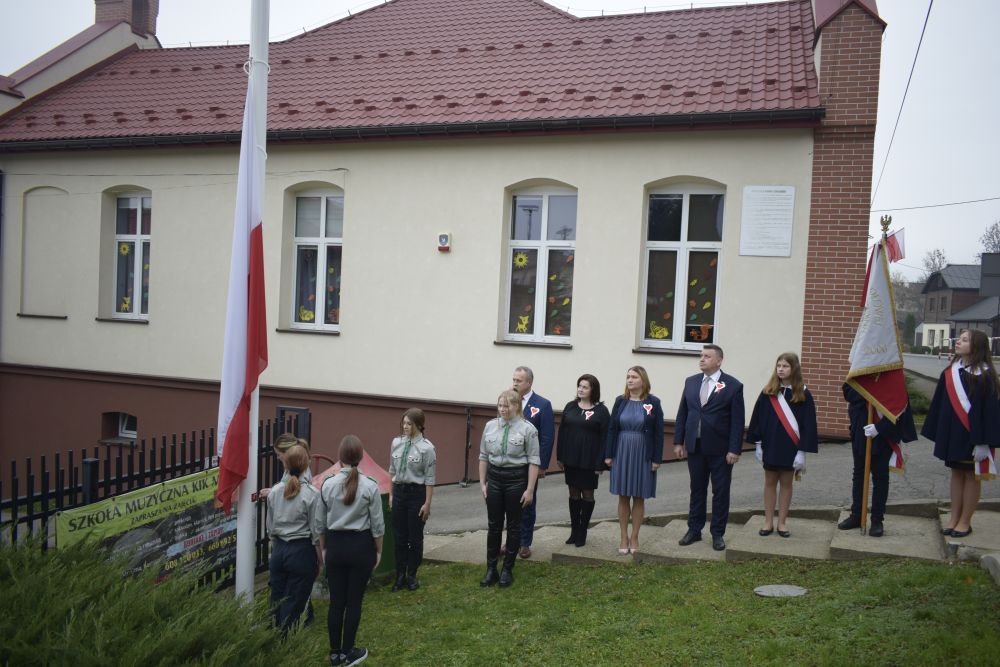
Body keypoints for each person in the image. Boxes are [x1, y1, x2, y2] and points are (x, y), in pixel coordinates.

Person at [921, 329, 1000, 538]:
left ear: (977, 347)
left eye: (965, 340)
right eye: (960, 339)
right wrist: (940, 432)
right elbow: (940, 405)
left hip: (974, 438)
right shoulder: (951, 372)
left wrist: (984, 442)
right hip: (953, 434)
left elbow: (991, 413)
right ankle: (954, 518)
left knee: (972, 476)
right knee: (956, 473)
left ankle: (965, 522)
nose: (958, 342)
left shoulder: (986, 376)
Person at [320, 435, 384, 667]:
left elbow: (320, 523)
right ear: (360, 457)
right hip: (360, 547)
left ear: (340, 457)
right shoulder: (370, 485)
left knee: (336, 602)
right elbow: (377, 525)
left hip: (335, 547)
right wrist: (378, 552)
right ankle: (348, 652)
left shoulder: (327, 484)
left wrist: (324, 549)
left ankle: (335, 653)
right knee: (354, 602)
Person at [674, 344, 745, 551]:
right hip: (695, 446)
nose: (702, 359)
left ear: (719, 361)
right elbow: (683, 413)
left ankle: (717, 533)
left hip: (721, 450)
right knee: (697, 489)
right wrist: (678, 441)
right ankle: (694, 530)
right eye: (701, 355)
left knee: (720, 492)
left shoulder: (733, 385)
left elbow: (737, 421)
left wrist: (734, 449)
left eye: (707, 356)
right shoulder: (691, 382)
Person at [746, 353, 818, 538]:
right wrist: (758, 444)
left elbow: (808, 424)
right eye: (778, 365)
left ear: (794, 369)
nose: (781, 369)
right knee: (769, 483)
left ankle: (782, 523)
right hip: (770, 445)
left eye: (785, 366)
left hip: (790, 447)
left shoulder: (803, 393)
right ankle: (768, 522)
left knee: (786, 484)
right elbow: (758, 418)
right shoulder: (768, 391)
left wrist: (802, 452)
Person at [479, 389, 540, 588]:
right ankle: (491, 569)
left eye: (507, 406)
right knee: (494, 525)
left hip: (516, 480)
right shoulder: (490, 426)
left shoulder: (528, 429)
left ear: (517, 406)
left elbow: (534, 461)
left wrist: (529, 489)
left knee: (514, 525)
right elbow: (483, 456)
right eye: (500, 405)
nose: (503, 409)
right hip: (495, 479)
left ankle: (507, 569)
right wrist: (483, 483)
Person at [839, 384, 916, 536]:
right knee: (859, 475)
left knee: (880, 477)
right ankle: (856, 515)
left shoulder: (891, 377)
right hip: (861, 430)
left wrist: (880, 428)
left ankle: (877, 520)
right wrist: (868, 391)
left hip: (883, 434)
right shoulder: (859, 373)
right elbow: (848, 392)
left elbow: (899, 405)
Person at [603, 366, 663, 554]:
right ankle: (623, 536)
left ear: (643, 380)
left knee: (639, 496)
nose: (629, 380)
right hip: (622, 450)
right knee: (623, 495)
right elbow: (612, 428)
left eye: (634, 377)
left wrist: (656, 458)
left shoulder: (653, 402)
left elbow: (659, 432)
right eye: (628, 376)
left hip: (643, 452)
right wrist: (608, 454)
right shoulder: (620, 401)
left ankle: (635, 537)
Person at [265, 444, 323, 637]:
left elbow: (270, 527)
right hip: (301, 551)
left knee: (276, 599)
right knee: (294, 602)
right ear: (306, 465)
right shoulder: (312, 494)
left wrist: (276, 549)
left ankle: (273, 639)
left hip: (279, 550)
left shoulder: (274, 491)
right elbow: (316, 532)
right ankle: (285, 643)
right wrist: (320, 561)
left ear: (285, 465)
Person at [556, 374, 610, 547]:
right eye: (579, 385)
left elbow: (606, 437)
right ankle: (574, 531)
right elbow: (562, 432)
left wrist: (601, 462)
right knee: (573, 493)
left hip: (590, 460)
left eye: (585, 387)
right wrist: (560, 456)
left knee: (587, 494)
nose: (580, 389)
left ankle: (582, 531)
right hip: (571, 458)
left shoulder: (601, 411)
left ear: (593, 390)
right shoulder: (570, 406)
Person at [388, 408, 436, 592]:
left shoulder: (427, 448)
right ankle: (400, 574)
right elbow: (392, 470)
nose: (405, 427)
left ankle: (412, 574)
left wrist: (427, 503)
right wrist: (391, 495)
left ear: (419, 425)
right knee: (399, 536)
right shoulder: (396, 443)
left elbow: (430, 478)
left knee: (414, 537)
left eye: (409, 424)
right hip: (399, 492)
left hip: (416, 494)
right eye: (404, 423)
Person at [511, 366, 554, 559]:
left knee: (527, 503)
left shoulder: (542, 404)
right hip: (510, 462)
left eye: (518, 380)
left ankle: (524, 542)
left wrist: (542, 465)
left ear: (529, 382)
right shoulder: (508, 400)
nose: (515, 383)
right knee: (510, 505)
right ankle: (510, 541)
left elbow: (547, 437)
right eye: (514, 379)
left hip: (530, 464)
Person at [258, 432, 312, 500]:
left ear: (288, 453)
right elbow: (287, 488)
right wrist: (272, 491)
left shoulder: (301, 472)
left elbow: (296, 494)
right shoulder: (292, 468)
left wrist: (272, 493)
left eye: (278, 454)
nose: (277, 458)